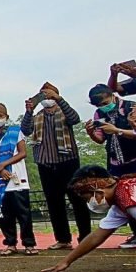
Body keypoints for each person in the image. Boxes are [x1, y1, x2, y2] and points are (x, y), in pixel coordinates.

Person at [84, 83, 136, 250]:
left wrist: (117, 130)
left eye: (105, 103)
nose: (103, 107)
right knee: (124, 199)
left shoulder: (134, 108)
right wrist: (91, 132)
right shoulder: (99, 113)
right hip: (117, 161)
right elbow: (100, 139)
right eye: (99, 106)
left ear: (113, 96)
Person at [21, 82, 89, 250]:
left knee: (78, 201)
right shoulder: (37, 116)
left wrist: (59, 99)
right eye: (42, 95)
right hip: (45, 163)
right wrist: (29, 111)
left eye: (48, 95)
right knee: (54, 203)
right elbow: (26, 130)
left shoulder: (64, 112)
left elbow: (75, 118)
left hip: (68, 161)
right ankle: (63, 239)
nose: (46, 98)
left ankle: (86, 237)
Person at [0, 103, 36, 256]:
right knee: (4, 215)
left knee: (24, 214)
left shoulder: (15, 131)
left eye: (0, 116)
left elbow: (22, 152)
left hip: (17, 179)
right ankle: (10, 243)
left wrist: (3, 165)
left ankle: (29, 243)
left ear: (6, 117)